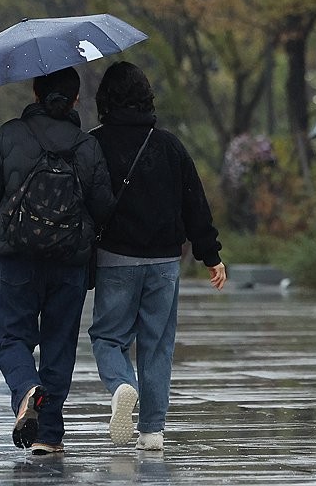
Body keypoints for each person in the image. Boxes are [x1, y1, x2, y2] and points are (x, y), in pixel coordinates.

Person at [0, 66, 115, 456]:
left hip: (17, 257)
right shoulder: (86, 145)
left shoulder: (9, 135)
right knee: (59, 344)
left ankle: (25, 389)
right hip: (69, 261)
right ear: (75, 99)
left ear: (35, 92)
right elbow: (103, 208)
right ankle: (49, 434)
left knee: (13, 337)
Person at [87, 61, 226, 452]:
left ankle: (121, 385)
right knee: (157, 344)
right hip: (166, 262)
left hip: (115, 258)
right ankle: (151, 431)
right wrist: (210, 255)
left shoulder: (93, 144)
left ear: (105, 100)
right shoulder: (169, 146)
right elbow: (194, 203)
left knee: (108, 336)